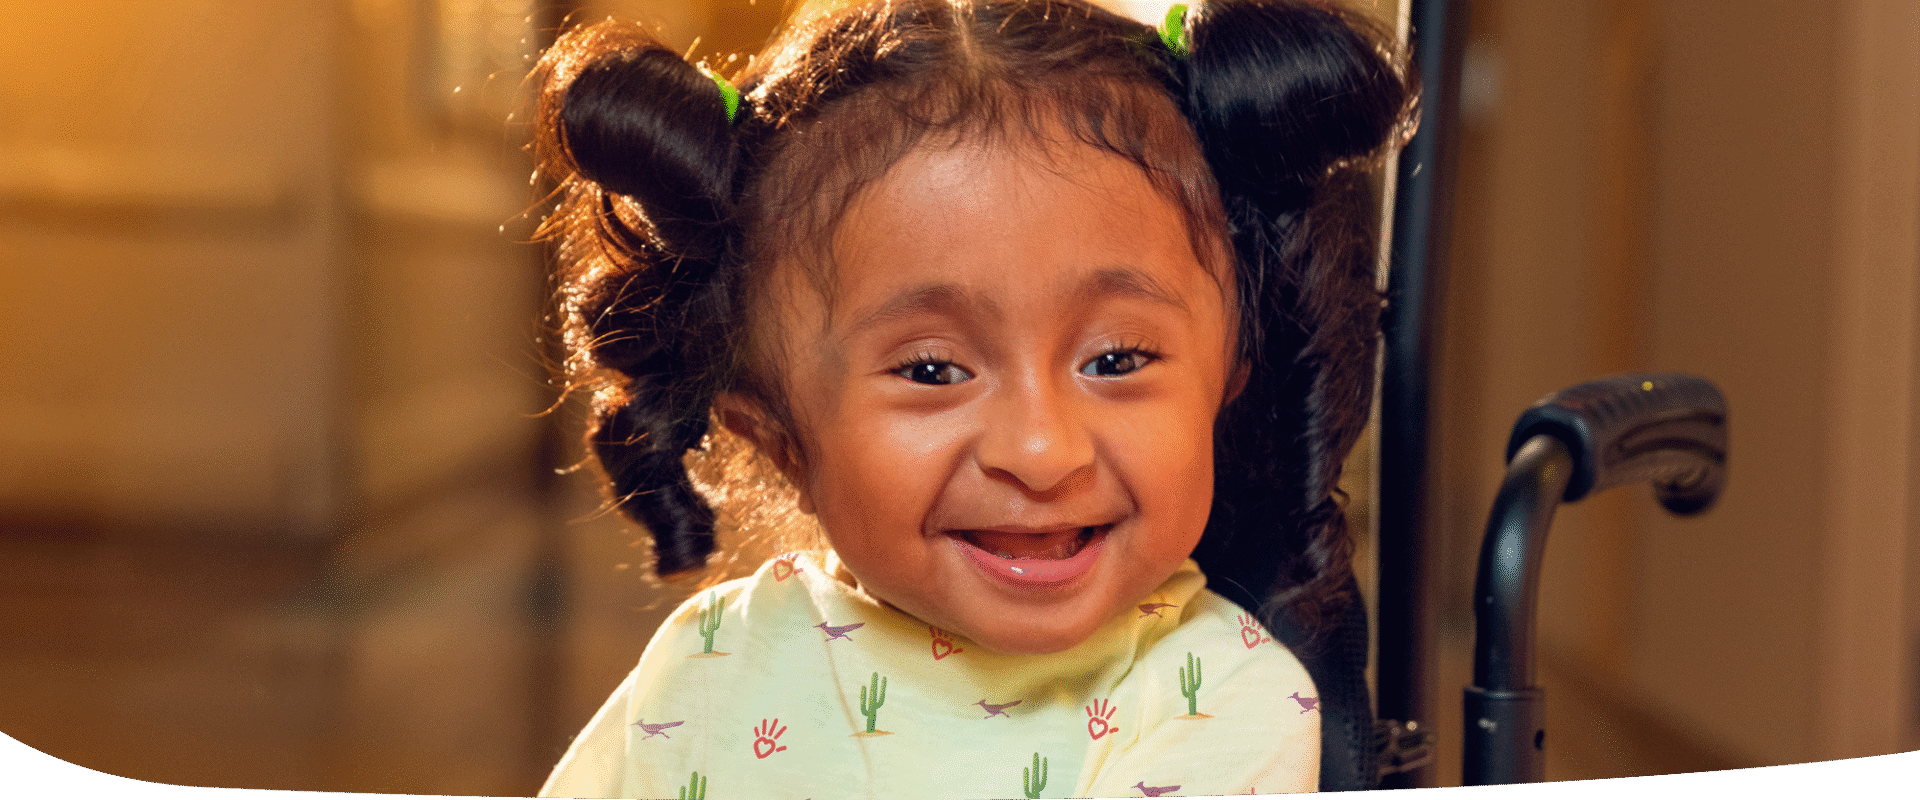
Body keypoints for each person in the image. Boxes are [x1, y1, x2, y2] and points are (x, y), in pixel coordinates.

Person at [530, 0, 1409, 796]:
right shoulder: (712, 661)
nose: (1041, 449)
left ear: (1226, 384)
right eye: (933, 371)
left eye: (1117, 359)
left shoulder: (1218, 700)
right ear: (782, 440)